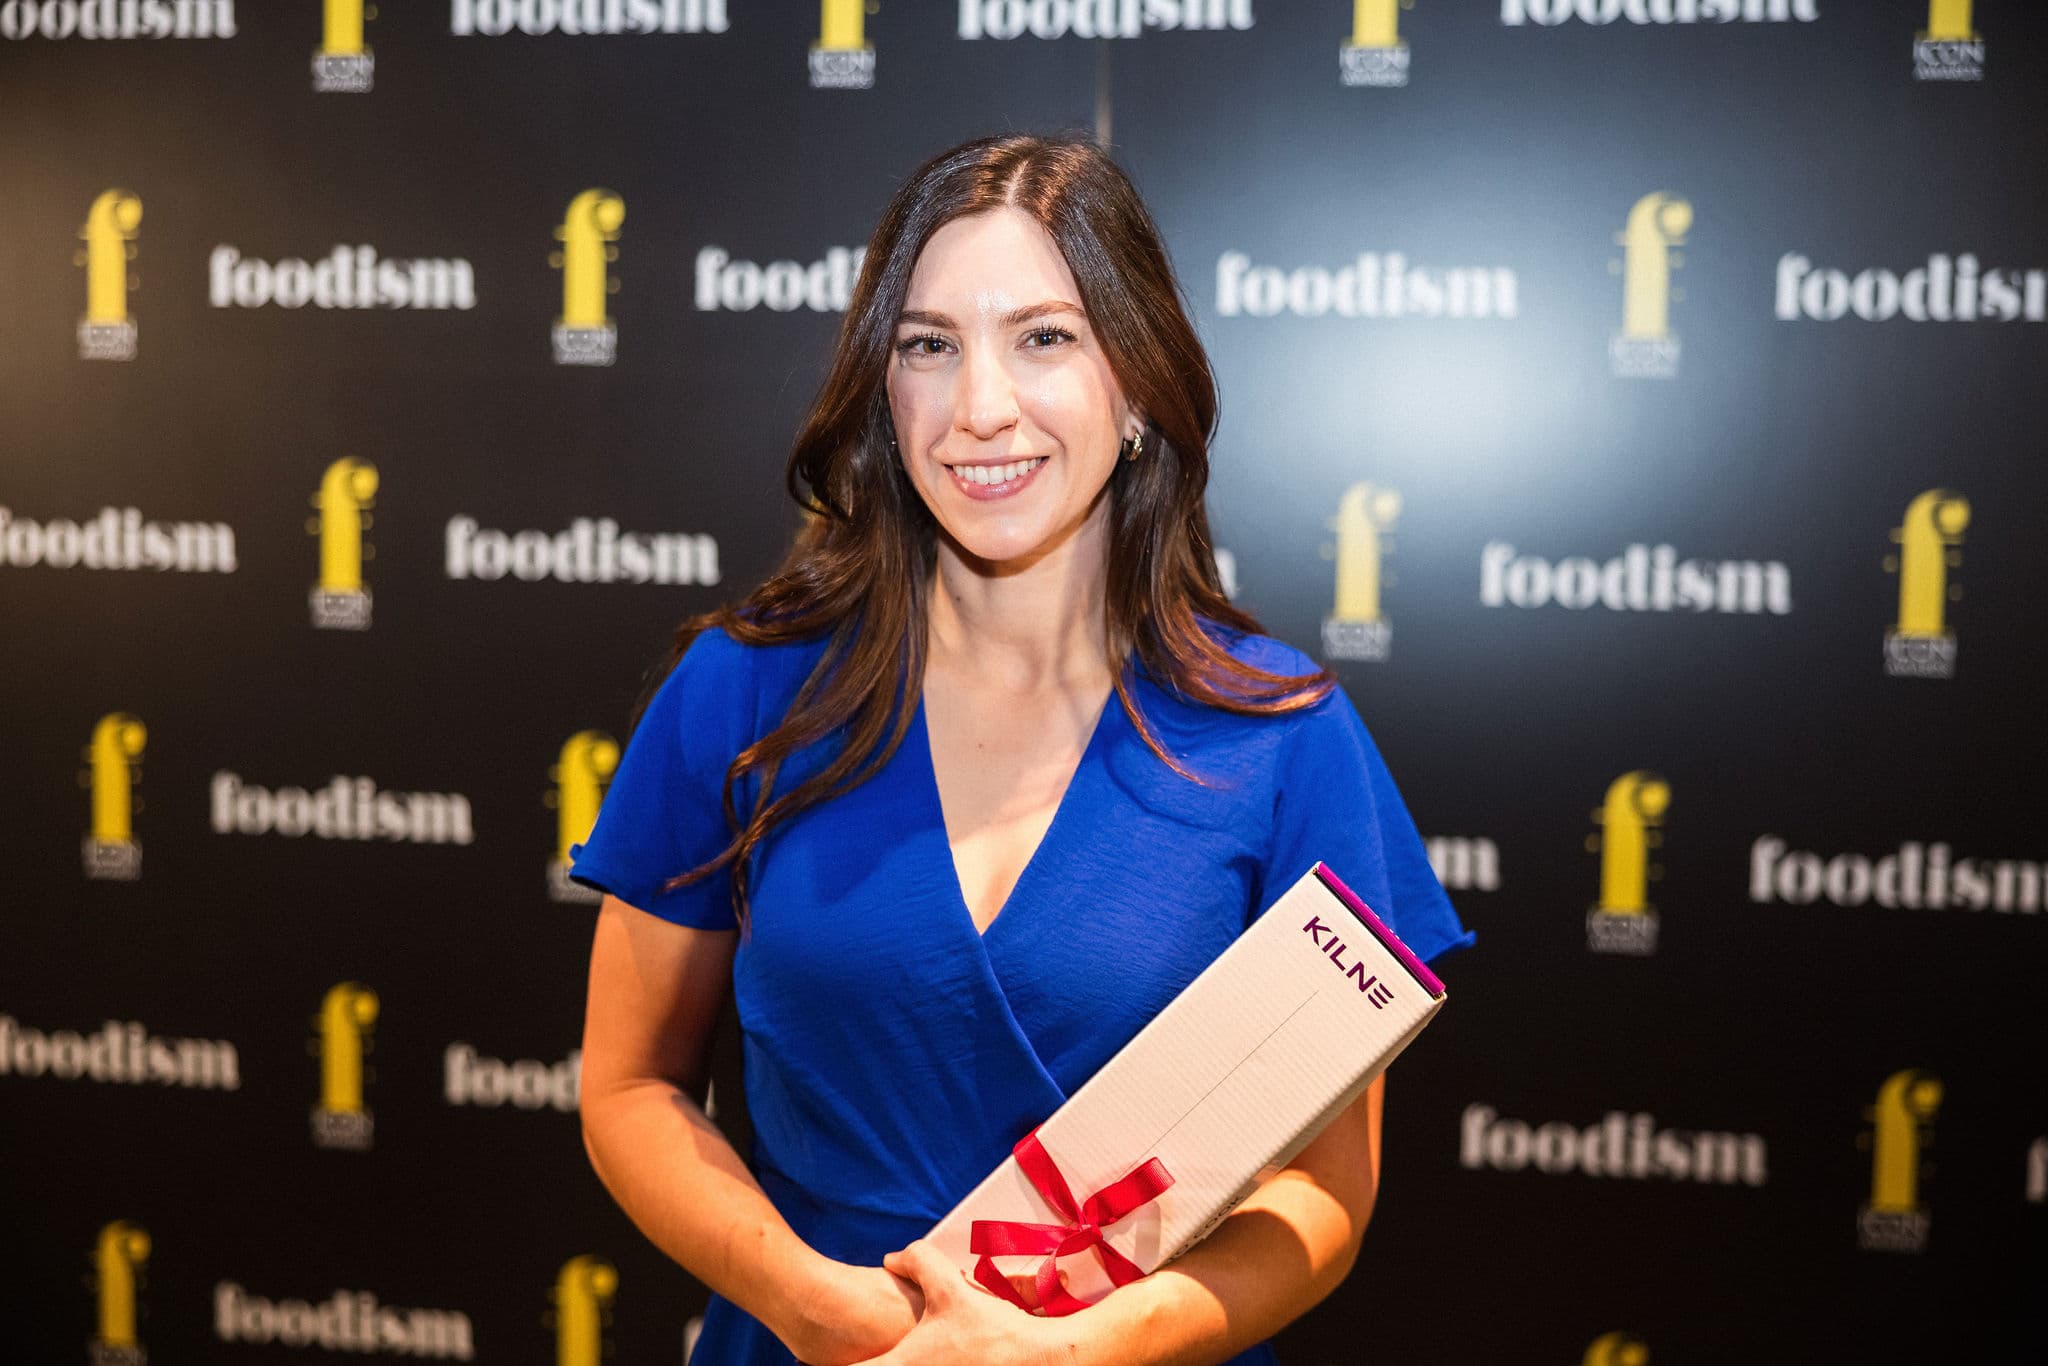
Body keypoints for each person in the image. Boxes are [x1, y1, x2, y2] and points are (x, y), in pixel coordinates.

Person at [568, 132, 1474, 1366]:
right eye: (927, 346)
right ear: (882, 390)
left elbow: (1323, 1195)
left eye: (1044, 337)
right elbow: (627, 1088)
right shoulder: (745, 688)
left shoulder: (1281, 737)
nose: (978, 405)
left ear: (1140, 382)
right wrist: (806, 1300)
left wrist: (1082, 1350)